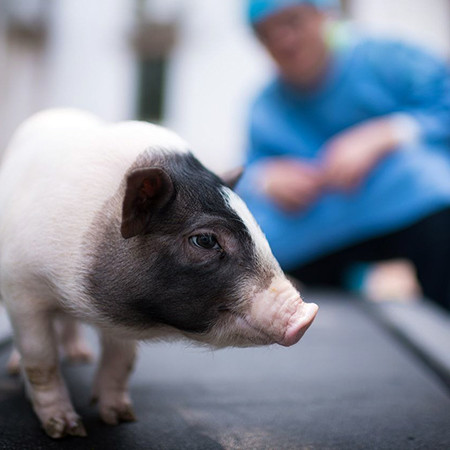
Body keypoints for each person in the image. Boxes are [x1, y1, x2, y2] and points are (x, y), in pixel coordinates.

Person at [237, 0, 450, 310]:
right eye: (267, 34)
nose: (283, 39)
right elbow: (248, 172)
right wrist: (267, 178)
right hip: (319, 230)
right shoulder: (264, 108)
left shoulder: (386, 59)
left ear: (324, 15)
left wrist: (386, 134)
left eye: (293, 21)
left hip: (413, 206)